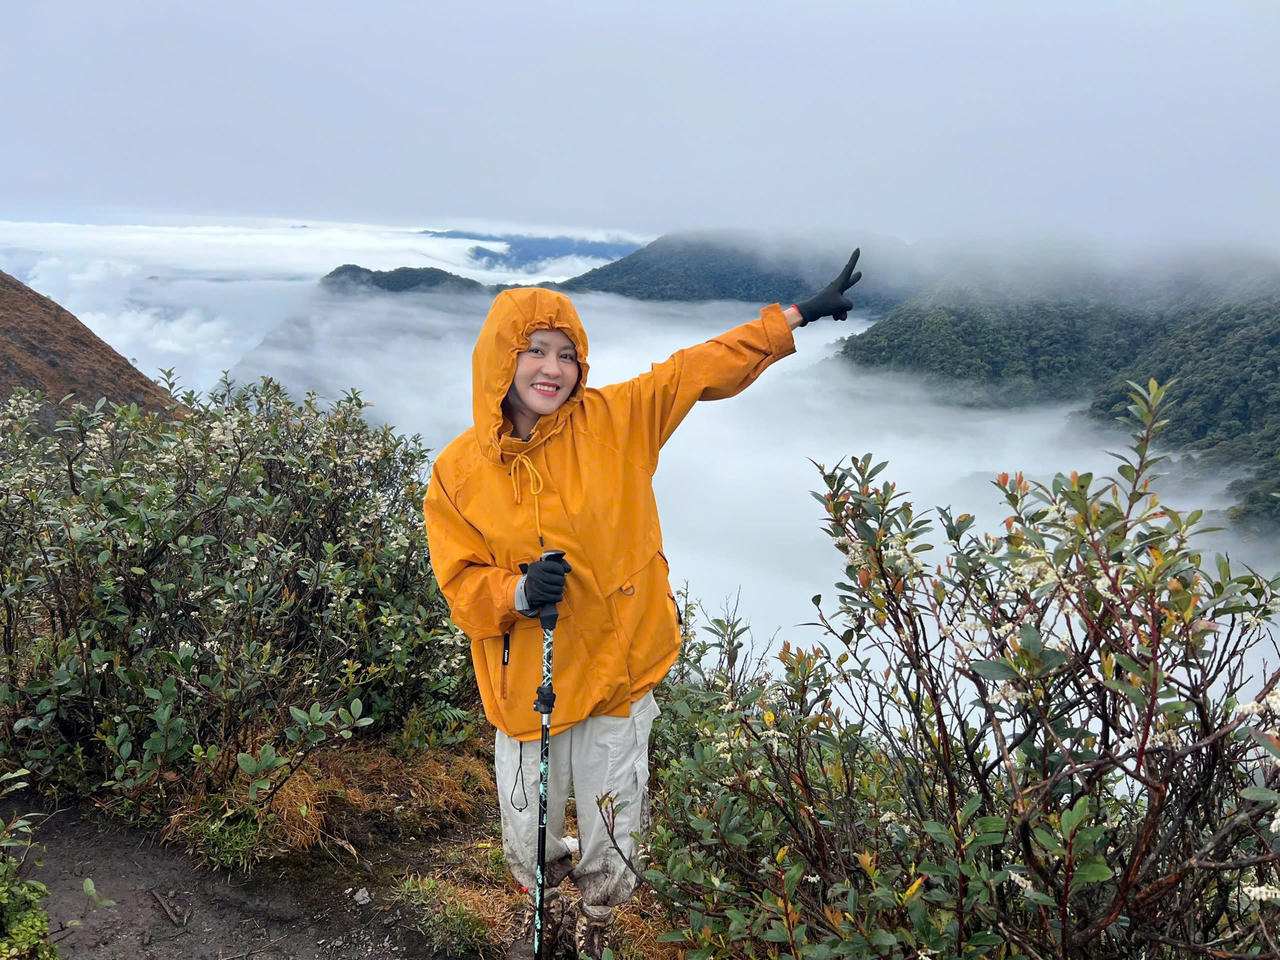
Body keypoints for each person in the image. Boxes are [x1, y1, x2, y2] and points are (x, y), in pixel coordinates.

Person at [422, 249, 862, 959]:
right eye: (533, 350)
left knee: (613, 826)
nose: (552, 368)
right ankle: (545, 904)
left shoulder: (617, 420)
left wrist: (795, 316)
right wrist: (515, 592)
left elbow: (696, 370)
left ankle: (596, 926)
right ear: (500, 360)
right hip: (525, 683)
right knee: (526, 830)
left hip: (616, 673)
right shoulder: (458, 472)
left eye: (567, 354)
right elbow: (459, 584)